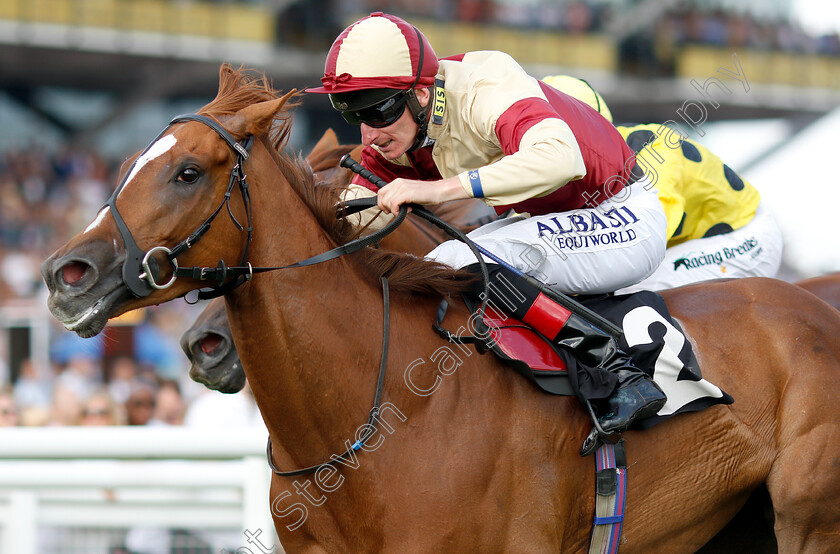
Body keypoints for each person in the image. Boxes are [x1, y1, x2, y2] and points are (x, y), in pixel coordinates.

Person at [307, 12, 669, 445]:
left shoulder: (485, 84)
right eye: (354, 116)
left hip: (620, 212)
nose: (369, 135)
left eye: (377, 111)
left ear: (421, 95)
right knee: (434, 263)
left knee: (458, 259)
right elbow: (356, 215)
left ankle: (616, 369)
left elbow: (560, 158)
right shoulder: (399, 134)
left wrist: (440, 191)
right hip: (551, 220)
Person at [542, 74, 783, 292]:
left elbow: (642, 240)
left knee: (625, 289)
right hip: (690, 242)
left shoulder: (652, 152)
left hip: (746, 238)